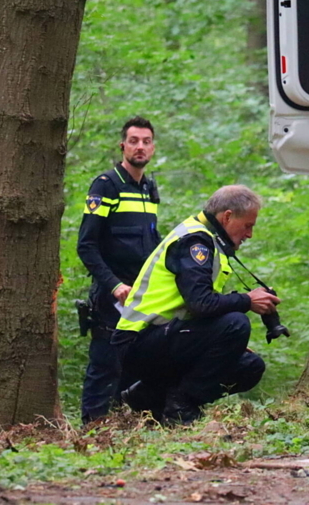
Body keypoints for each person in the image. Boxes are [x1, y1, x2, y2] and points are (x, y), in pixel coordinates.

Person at [113, 184, 280, 425]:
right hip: (138, 341)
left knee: (248, 365)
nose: (250, 234)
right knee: (236, 323)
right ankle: (181, 406)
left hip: (165, 337)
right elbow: (201, 303)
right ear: (228, 216)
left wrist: (226, 344)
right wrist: (247, 300)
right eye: (248, 226)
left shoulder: (209, 240)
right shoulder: (195, 241)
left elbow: (198, 309)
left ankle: (148, 397)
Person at [76, 116, 161, 423]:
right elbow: (86, 245)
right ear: (123, 145)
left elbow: (152, 243)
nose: (140, 147)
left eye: (146, 142)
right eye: (134, 141)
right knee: (105, 364)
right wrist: (114, 285)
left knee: (137, 363)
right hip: (112, 294)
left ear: (152, 148)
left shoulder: (149, 188)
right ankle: (92, 433)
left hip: (143, 294)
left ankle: (125, 429)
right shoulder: (106, 186)